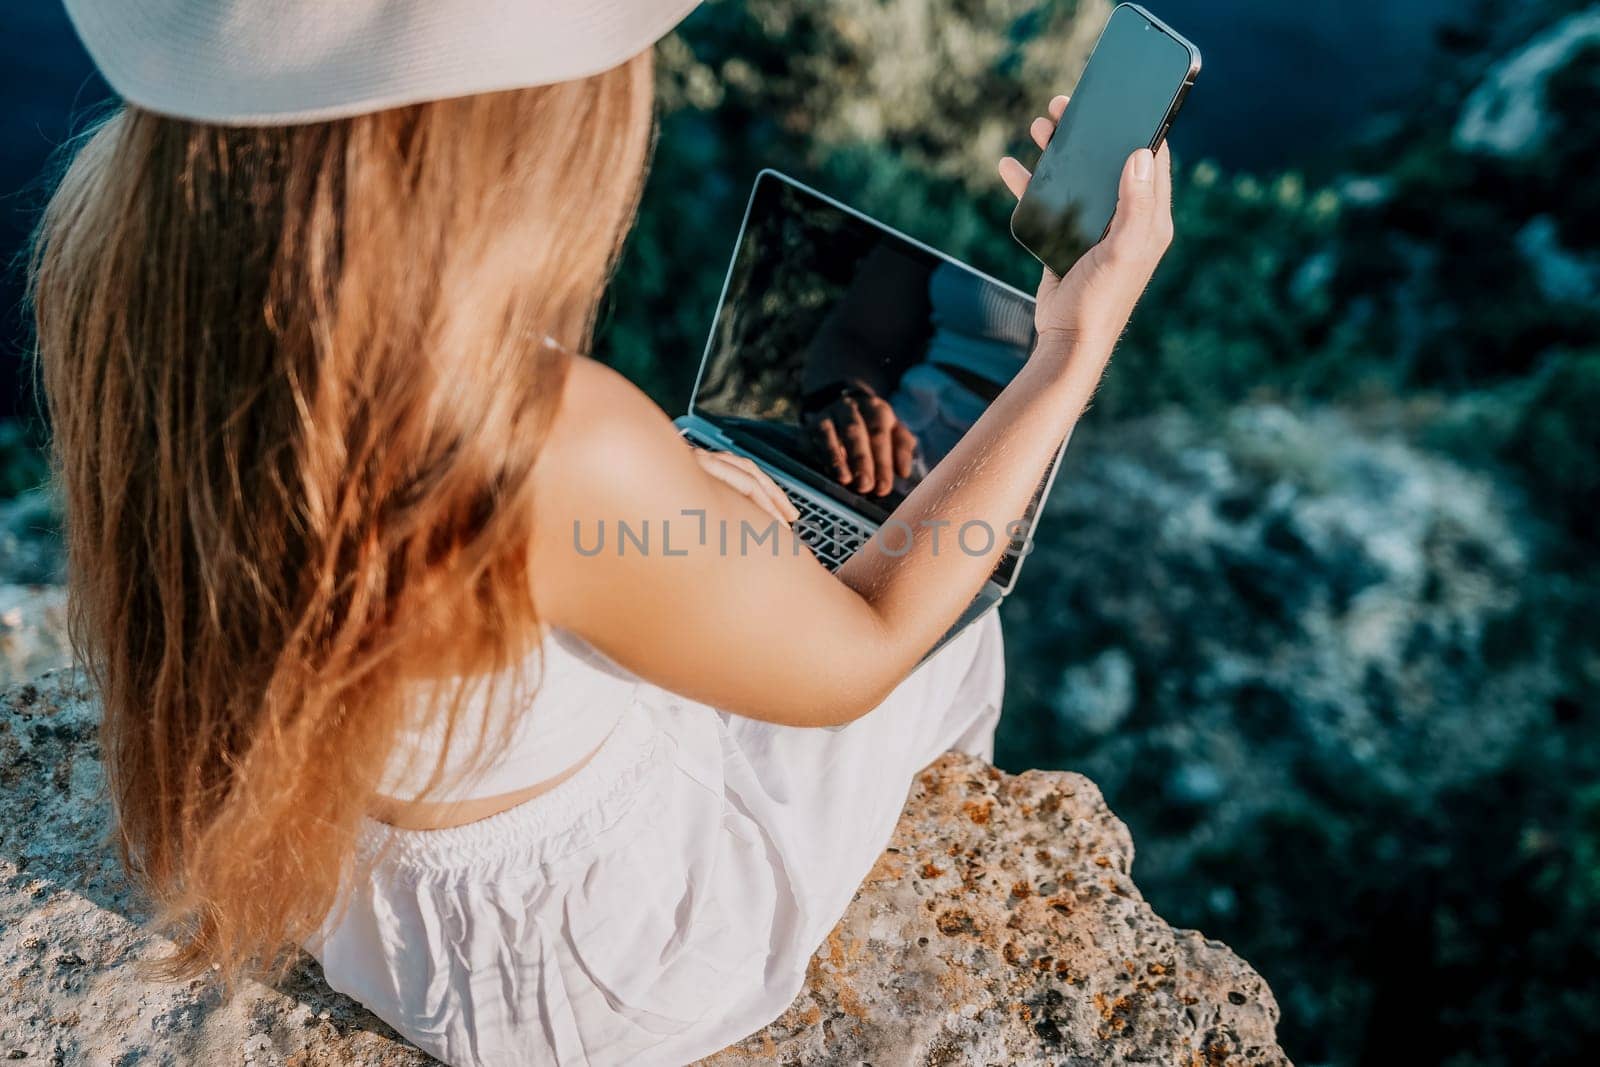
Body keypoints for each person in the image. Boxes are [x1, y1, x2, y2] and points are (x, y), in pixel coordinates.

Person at [31, 2, 1173, 1064]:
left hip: (349, 875)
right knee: (957, 629)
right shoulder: (539, 437)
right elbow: (868, 645)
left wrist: (663, 502)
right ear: (516, 122)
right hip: (579, 972)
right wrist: (1069, 347)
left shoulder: (113, 248)